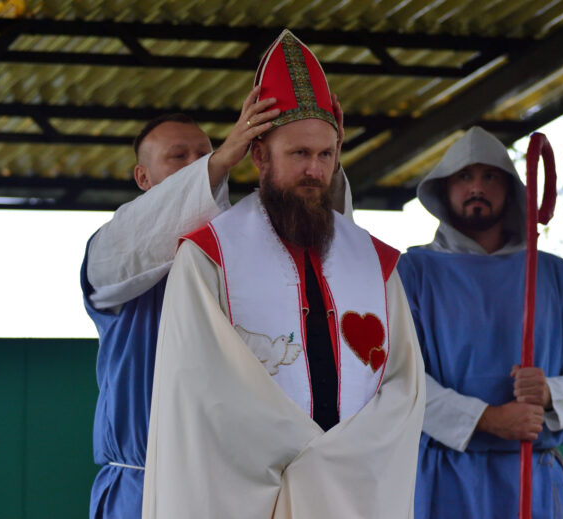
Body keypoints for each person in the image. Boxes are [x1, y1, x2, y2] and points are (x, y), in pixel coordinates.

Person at [141, 30, 425, 518]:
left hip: (351, 493)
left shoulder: (375, 263)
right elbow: (202, 388)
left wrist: (345, 458)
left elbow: (405, 386)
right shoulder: (209, 257)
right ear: (259, 155)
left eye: (325, 155)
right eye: (299, 154)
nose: (314, 170)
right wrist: (313, 457)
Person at [81, 83, 353, 517]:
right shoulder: (115, 249)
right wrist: (223, 157)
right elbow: (145, 237)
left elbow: (326, 258)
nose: (198, 164)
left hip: (240, 487)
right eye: (178, 156)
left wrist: (323, 159)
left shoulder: (250, 245)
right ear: (143, 178)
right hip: (144, 485)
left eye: (203, 154)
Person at [397, 127, 563, 519]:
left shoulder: (553, 277)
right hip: (444, 481)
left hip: (533, 479)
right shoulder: (411, 275)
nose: (476, 187)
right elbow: (399, 378)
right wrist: (486, 418)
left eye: (490, 176)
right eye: (464, 176)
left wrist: (549, 392)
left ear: (510, 190)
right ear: (444, 188)